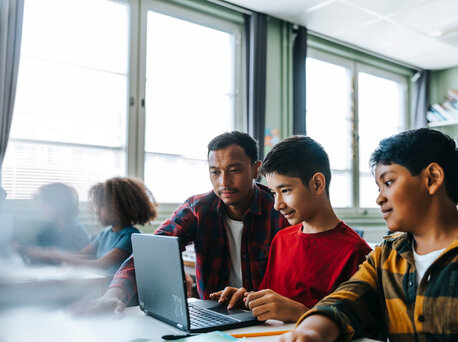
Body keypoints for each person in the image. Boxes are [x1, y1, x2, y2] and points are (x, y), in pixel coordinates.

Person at [273, 128, 458, 342]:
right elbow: (346, 302)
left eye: (388, 182)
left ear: (432, 178)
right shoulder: (387, 255)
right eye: (378, 187)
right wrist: (310, 332)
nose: (379, 199)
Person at [73, 131, 289, 315]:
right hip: (215, 317)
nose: (224, 182)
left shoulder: (281, 210)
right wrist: (114, 293)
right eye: (215, 172)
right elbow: (151, 253)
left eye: (234, 171)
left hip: (268, 319)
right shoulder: (198, 209)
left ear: (255, 169)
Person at [210, 136, 372, 323]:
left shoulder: (355, 252)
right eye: (273, 193)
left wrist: (302, 313)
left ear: (317, 184)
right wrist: (245, 302)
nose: (277, 205)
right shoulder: (281, 239)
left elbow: (362, 328)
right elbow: (271, 301)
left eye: (285, 191)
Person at [20, 177, 158, 275]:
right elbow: (80, 255)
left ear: (120, 207)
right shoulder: (105, 234)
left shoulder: (130, 237)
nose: (97, 211)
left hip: (112, 291)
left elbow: (101, 264)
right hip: (98, 284)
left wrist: (57, 255)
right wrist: (50, 253)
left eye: (102, 206)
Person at [33, 182, 90, 251]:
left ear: (58, 205)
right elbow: (35, 245)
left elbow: (74, 256)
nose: (43, 207)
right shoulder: (50, 227)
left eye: (45, 204)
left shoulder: (77, 230)